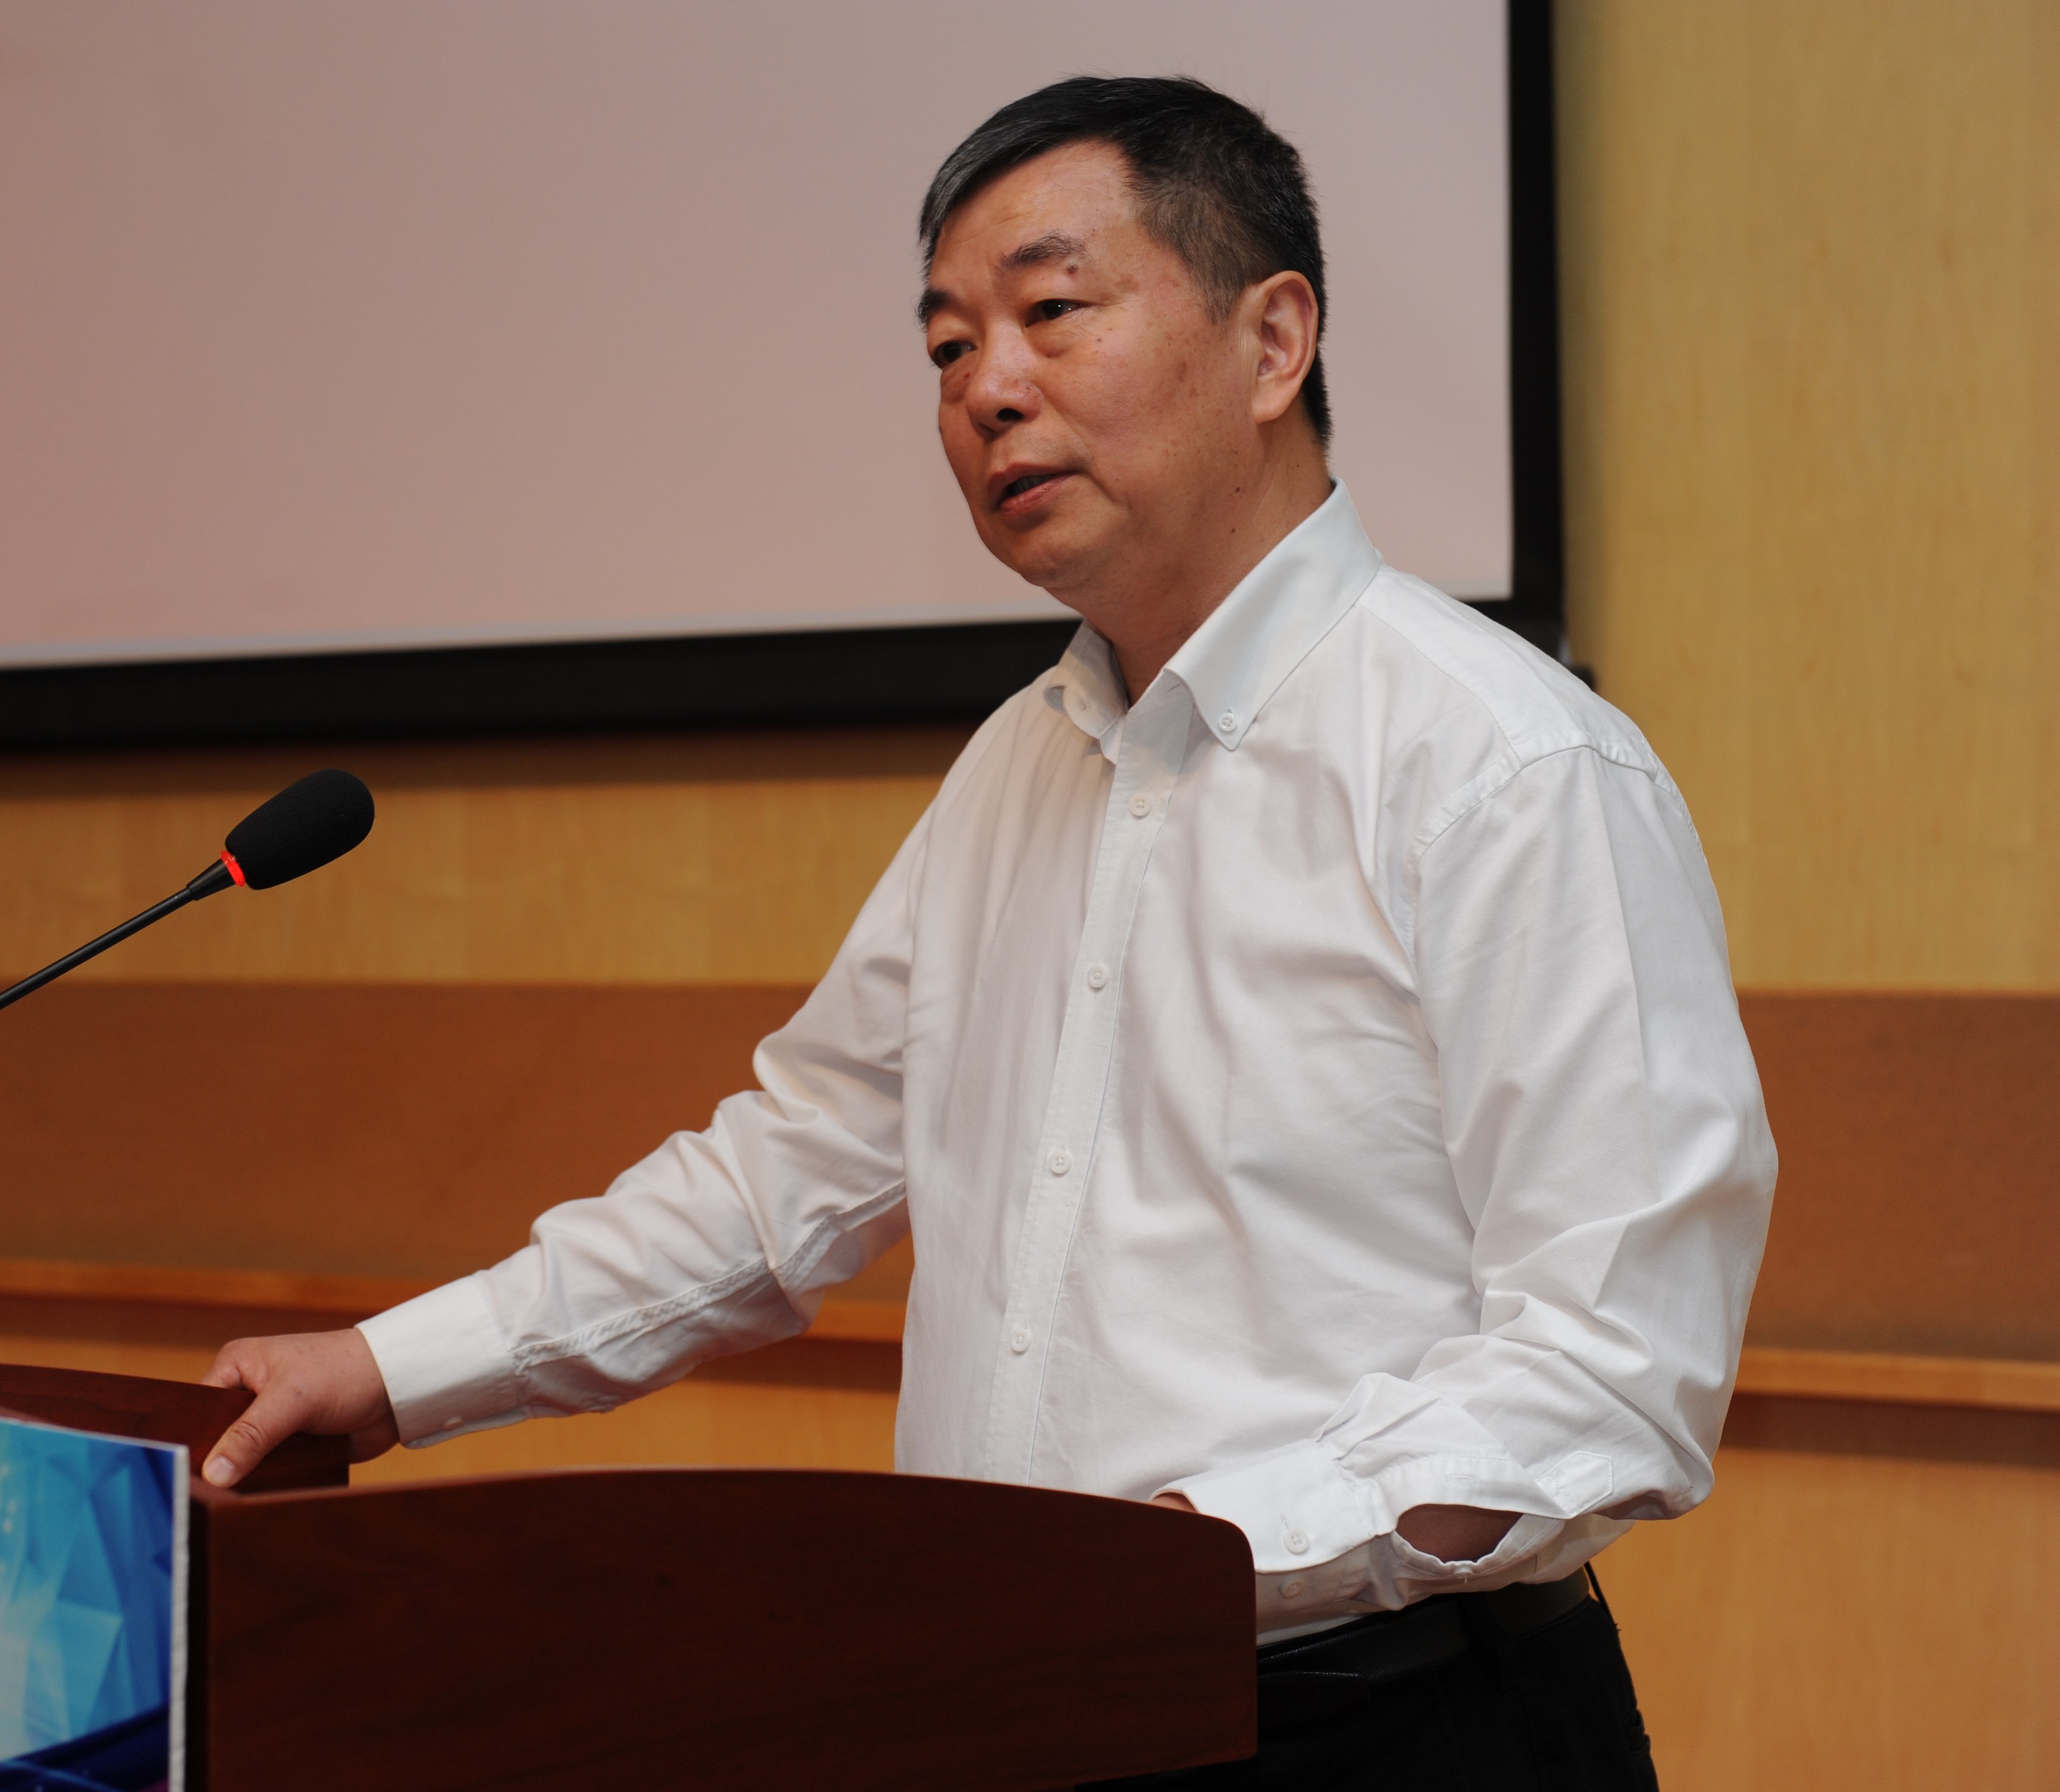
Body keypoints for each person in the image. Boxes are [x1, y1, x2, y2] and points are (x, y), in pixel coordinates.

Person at [196, 76, 1772, 1789]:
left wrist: (1172, 1562)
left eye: (1052, 312)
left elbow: (1609, 1368)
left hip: (1385, 1722)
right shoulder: (1021, 766)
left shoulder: (1506, 766)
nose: (987, 389)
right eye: (948, 347)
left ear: (1274, 343)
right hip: (1021, 1697)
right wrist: (388, 1371)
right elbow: (788, 1176)